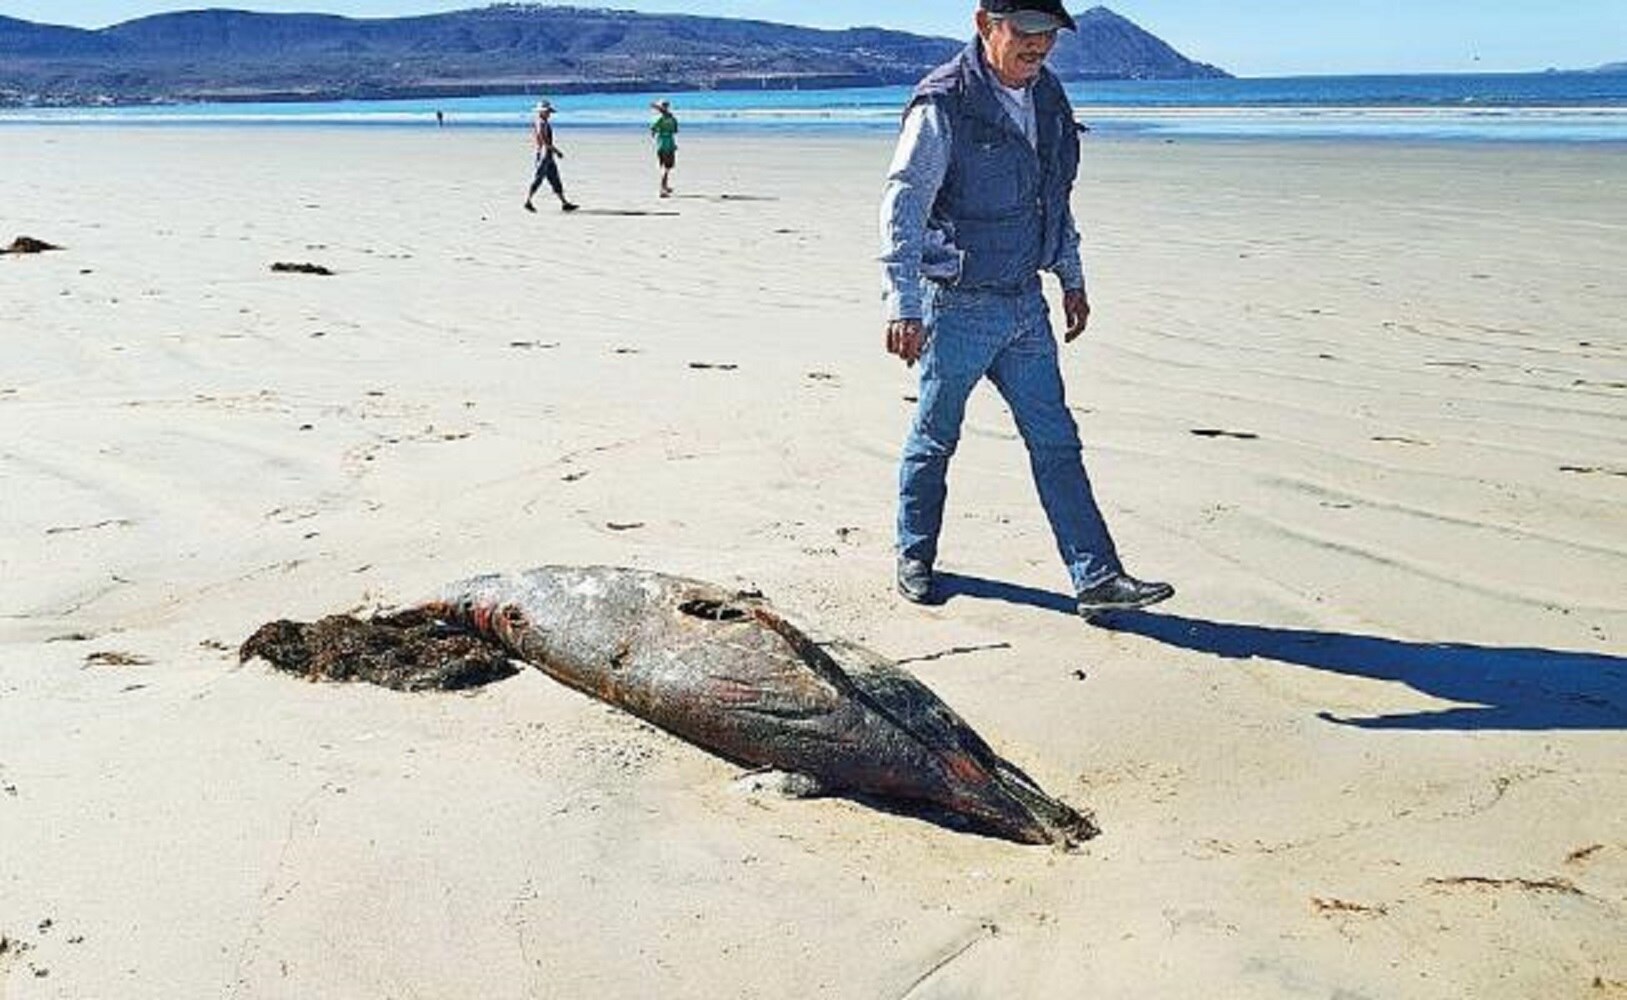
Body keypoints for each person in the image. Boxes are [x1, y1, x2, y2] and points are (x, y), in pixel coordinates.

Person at [879, 0, 1173, 620]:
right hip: (954, 306)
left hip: (1025, 308)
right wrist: (902, 302)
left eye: (1049, 35)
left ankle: (1096, 579)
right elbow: (904, 203)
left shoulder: (1048, 96)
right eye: (1027, 33)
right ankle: (914, 554)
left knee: (1057, 442)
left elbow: (1053, 196)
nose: (1039, 47)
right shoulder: (943, 103)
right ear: (986, 25)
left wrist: (1071, 275)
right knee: (936, 437)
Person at [524, 100, 578, 213]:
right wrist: (557, 151)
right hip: (545, 153)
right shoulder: (541, 123)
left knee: (555, 179)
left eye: (549, 112)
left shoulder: (542, 122)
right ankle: (528, 201)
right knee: (538, 178)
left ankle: (564, 203)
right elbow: (544, 141)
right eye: (547, 111)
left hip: (547, 154)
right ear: (542, 112)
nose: (549, 114)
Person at [650, 99, 679, 197]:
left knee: (665, 167)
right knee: (666, 168)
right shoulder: (672, 118)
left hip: (661, 145)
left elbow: (653, 129)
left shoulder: (659, 118)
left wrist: (656, 132)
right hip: (670, 144)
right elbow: (675, 130)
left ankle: (665, 187)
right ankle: (662, 189)